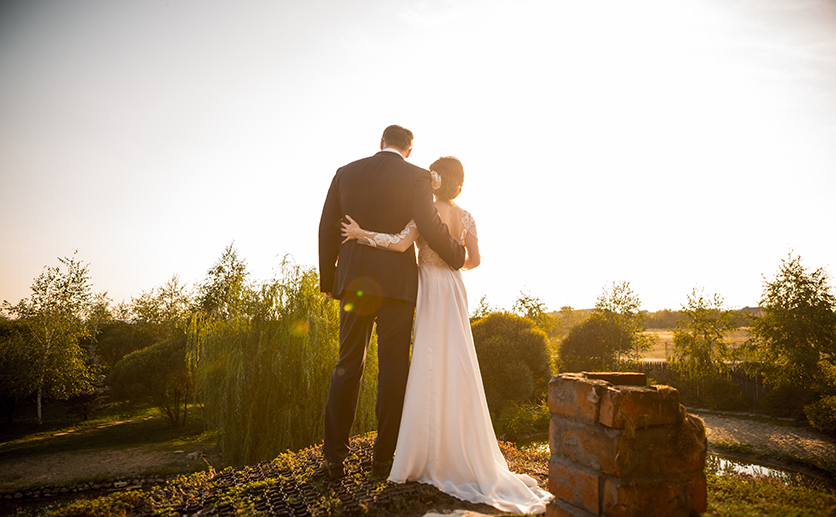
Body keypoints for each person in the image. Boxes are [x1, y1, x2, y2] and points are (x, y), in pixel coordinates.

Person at [340, 156, 553, 514]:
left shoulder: (423, 212)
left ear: (433, 179)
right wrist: (449, 261)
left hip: (427, 286)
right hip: (453, 288)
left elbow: (398, 243)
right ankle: (459, 442)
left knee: (427, 357)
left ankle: (424, 449)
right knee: (456, 358)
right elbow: (474, 260)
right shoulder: (466, 215)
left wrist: (362, 235)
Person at [318, 125, 466, 479]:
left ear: (381, 143)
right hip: (398, 287)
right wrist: (457, 256)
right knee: (393, 369)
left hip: (354, 283)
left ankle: (334, 459)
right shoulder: (417, 177)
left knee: (348, 364)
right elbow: (429, 225)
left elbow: (326, 226)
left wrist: (328, 280)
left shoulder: (345, 172)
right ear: (410, 150)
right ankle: (383, 460)